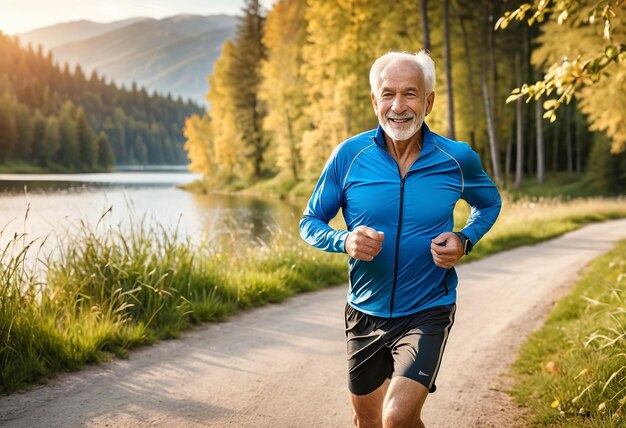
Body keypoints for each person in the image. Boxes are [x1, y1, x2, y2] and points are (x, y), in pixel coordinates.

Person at [299, 50, 502, 428]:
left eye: (410, 93)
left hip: (428, 308)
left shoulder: (456, 158)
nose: (398, 105)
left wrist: (464, 238)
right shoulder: (348, 155)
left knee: (397, 419)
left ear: (429, 101)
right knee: (368, 422)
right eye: (388, 93)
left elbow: (489, 204)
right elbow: (309, 221)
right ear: (375, 100)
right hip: (364, 311)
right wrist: (343, 241)